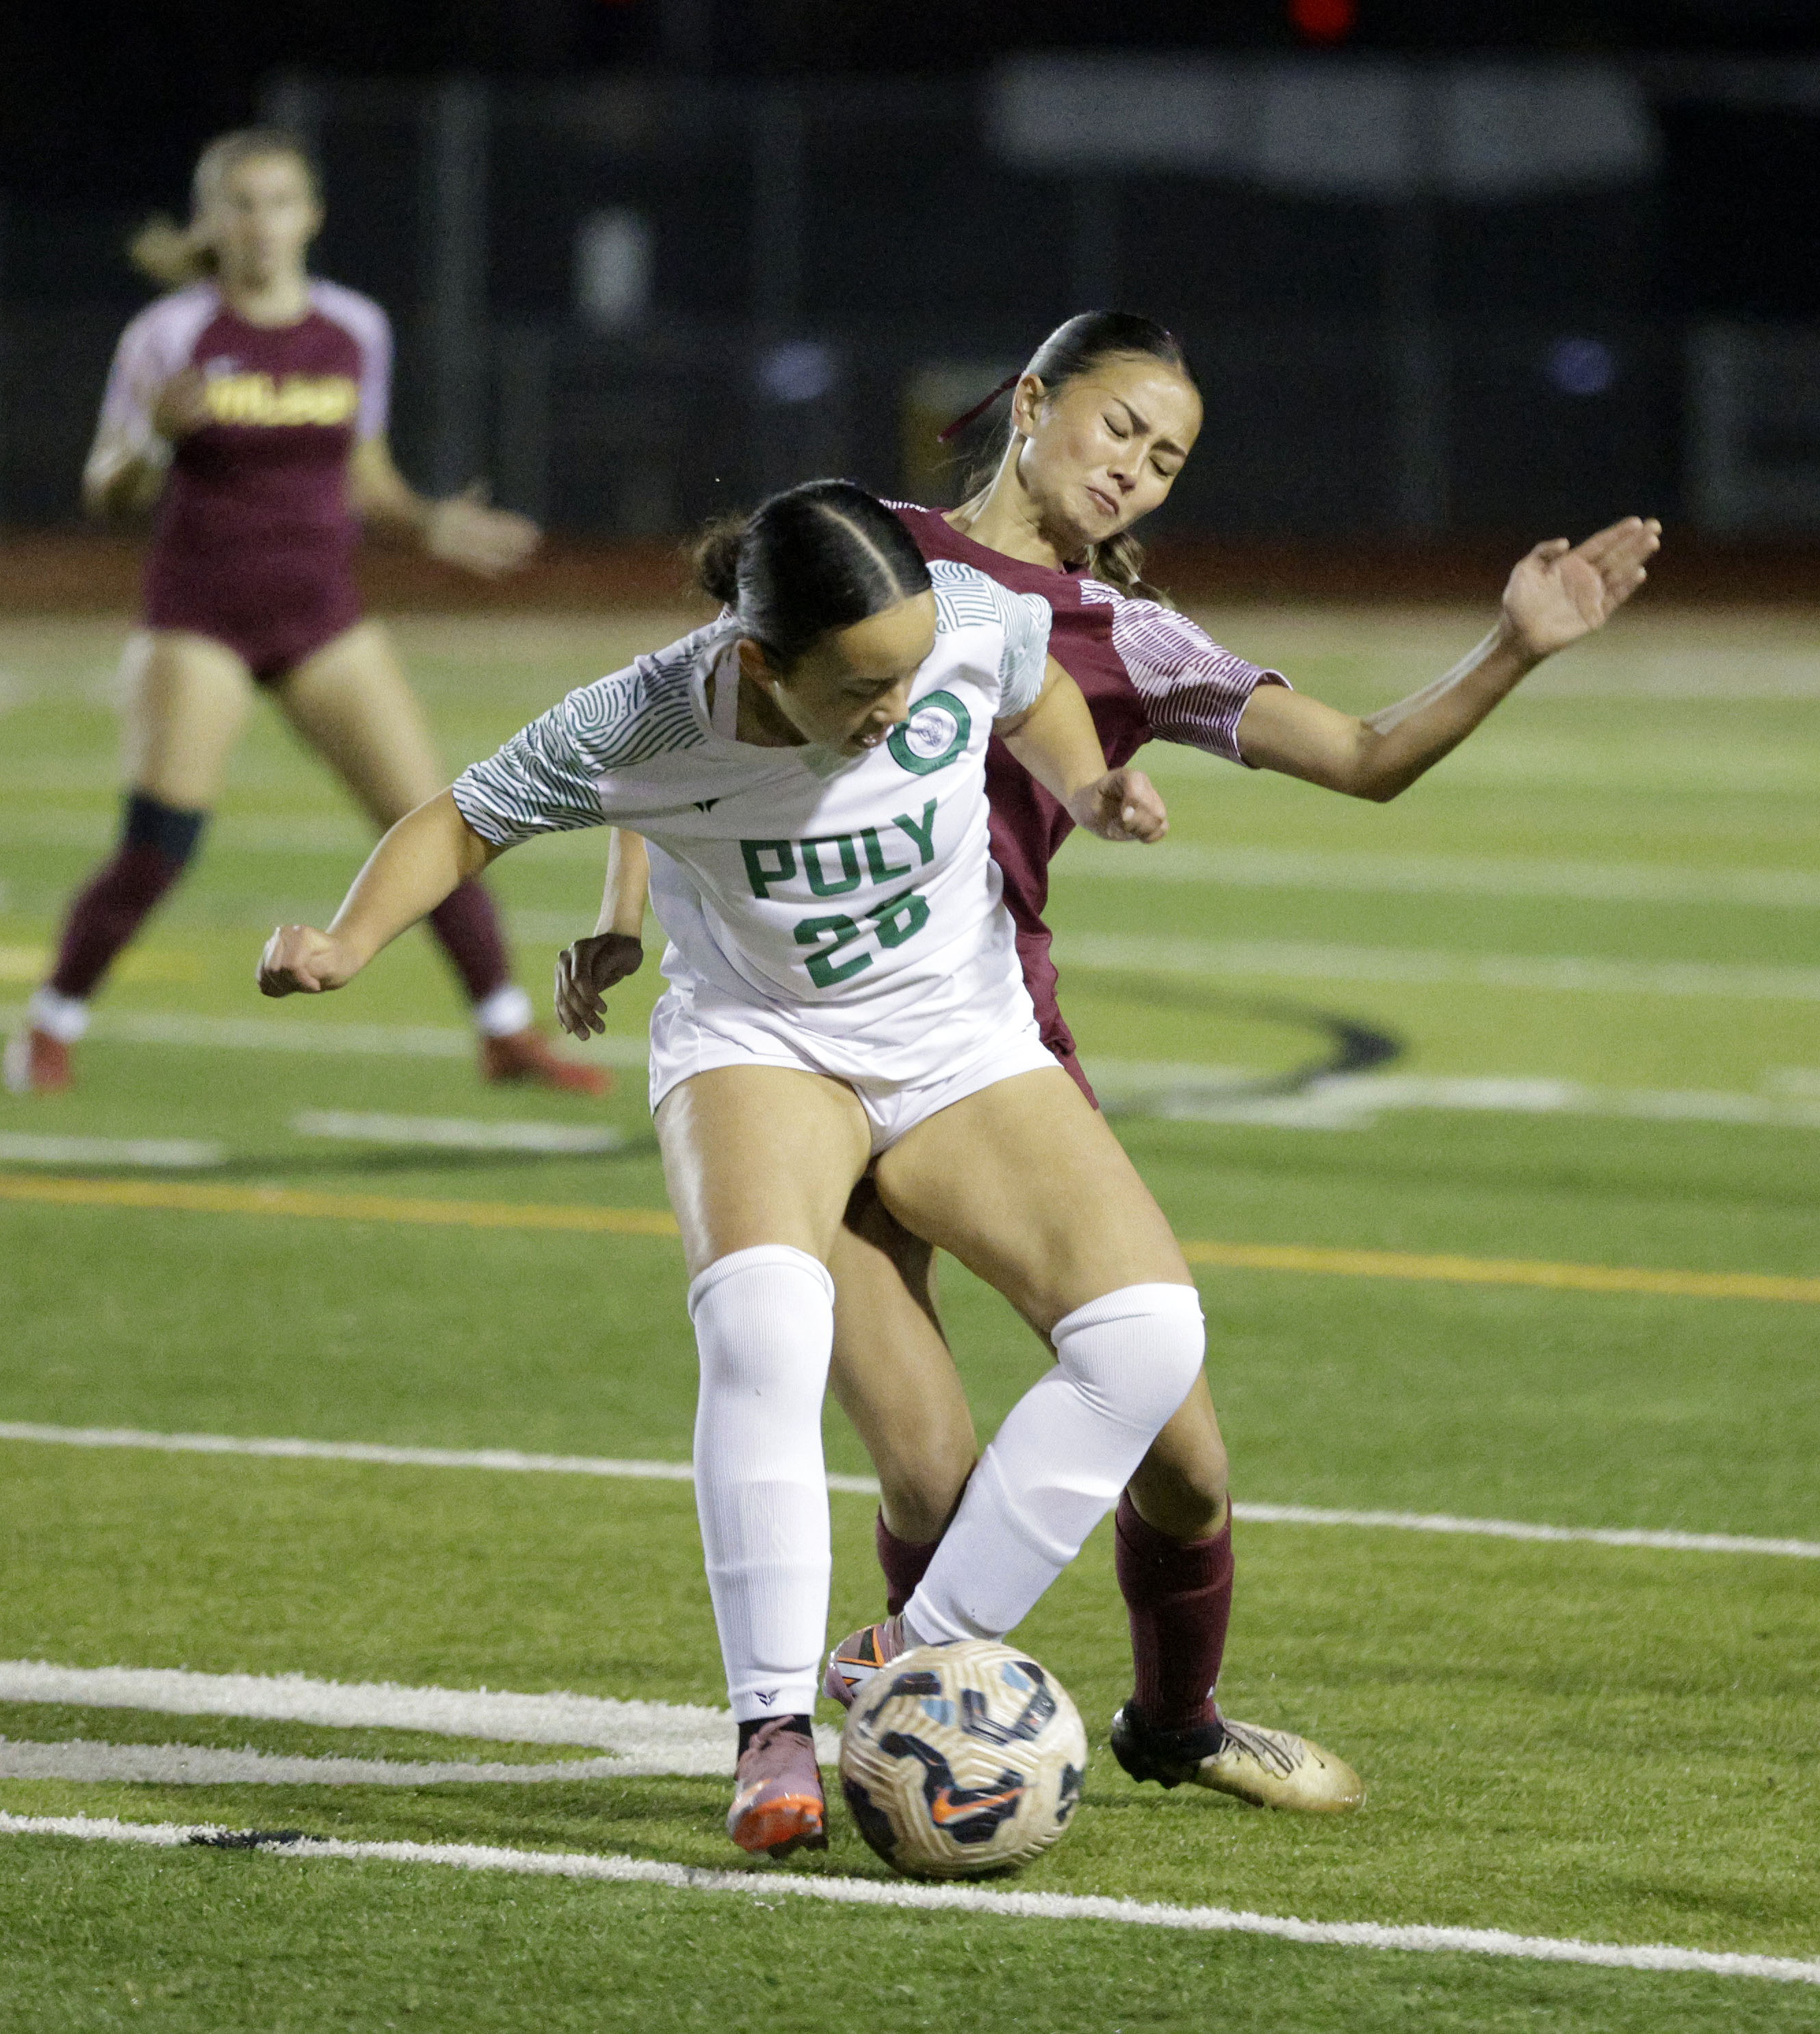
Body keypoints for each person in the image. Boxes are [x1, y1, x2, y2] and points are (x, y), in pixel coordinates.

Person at [562, 313, 1659, 1814]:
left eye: (1168, 458)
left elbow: (1367, 756)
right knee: (934, 1476)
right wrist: (619, 918)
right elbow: (679, 703)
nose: (1136, 470)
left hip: (983, 1057)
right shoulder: (859, 547)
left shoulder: (1125, 636)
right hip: (795, 1062)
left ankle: (1175, 1721)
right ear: (1029, 404)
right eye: (1117, 428)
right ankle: (895, 1733)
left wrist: (1513, 646)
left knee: (1185, 1460)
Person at [257, 478, 1363, 1860]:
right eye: (860, 684)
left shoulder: (963, 615)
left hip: (959, 1036)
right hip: (762, 1044)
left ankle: (916, 1658)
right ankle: (770, 1726)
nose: (896, 703)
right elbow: (460, 815)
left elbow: (1028, 688)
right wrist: (349, 945)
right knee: (765, 1325)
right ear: (760, 660)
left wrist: (1087, 780)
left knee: (1149, 1339)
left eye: (909, 670)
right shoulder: (651, 713)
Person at [4, 128, 601, 1097]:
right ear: (211, 222)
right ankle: (47, 1027)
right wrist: (153, 444)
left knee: (439, 820)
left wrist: (429, 521)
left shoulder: (355, 327)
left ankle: (506, 1032)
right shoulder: (169, 335)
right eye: (241, 204)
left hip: (323, 612)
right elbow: (106, 492)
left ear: (311, 215)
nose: (262, 223)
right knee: (160, 846)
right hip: (198, 616)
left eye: (281, 201)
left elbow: (364, 475)